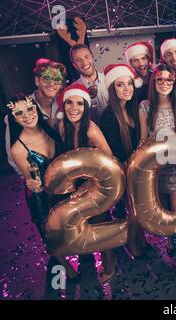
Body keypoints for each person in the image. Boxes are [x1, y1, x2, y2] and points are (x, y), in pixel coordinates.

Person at [7, 94, 79, 282]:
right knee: (51, 233)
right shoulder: (18, 149)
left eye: (30, 109)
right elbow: (32, 181)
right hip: (41, 196)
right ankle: (63, 263)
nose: (27, 115)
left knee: (73, 225)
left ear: (36, 109)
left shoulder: (52, 129)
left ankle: (83, 252)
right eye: (19, 113)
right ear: (14, 118)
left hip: (65, 188)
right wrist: (35, 183)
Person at [57, 83, 116, 283]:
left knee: (100, 227)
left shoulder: (91, 129)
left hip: (95, 185)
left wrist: (89, 185)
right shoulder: (61, 126)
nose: (74, 108)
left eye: (79, 104)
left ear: (86, 107)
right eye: (70, 103)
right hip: (74, 187)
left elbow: (109, 160)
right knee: (81, 225)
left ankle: (110, 265)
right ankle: (88, 256)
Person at [139, 64, 176, 265]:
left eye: (169, 80)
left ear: (174, 82)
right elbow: (143, 139)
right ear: (154, 82)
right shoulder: (145, 106)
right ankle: (170, 238)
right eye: (160, 79)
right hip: (154, 166)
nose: (164, 83)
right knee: (162, 207)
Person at [100, 64, 146, 258]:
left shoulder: (134, 109)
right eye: (120, 85)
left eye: (129, 84)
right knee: (133, 211)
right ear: (112, 89)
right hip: (123, 170)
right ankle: (131, 242)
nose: (127, 89)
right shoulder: (108, 116)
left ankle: (141, 239)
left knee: (140, 209)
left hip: (137, 168)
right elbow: (113, 153)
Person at [5, 58, 66, 174]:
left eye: (57, 79)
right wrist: (32, 177)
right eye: (46, 79)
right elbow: (13, 158)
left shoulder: (65, 105)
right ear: (37, 81)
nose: (52, 84)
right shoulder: (20, 110)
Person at [70, 44, 109, 123]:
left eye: (86, 57)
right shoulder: (73, 90)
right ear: (74, 65)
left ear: (92, 57)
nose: (84, 63)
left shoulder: (110, 79)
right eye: (79, 60)